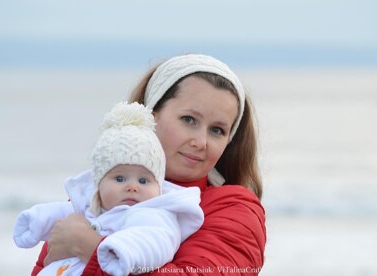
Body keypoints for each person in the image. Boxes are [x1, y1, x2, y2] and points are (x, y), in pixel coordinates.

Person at [32, 53, 266, 275]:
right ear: (151, 117)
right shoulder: (97, 194)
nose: (201, 142)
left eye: (217, 130)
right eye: (189, 120)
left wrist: (91, 247)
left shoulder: (234, 210)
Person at [14, 102, 204, 275]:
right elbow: (63, 215)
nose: (132, 187)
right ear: (99, 184)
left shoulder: (155, 215)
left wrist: (120, 250)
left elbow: (155, 241)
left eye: (144, 181)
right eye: (119, 178)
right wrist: (34, 222)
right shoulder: (91, 206)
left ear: (158, 186)